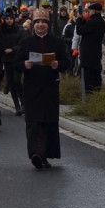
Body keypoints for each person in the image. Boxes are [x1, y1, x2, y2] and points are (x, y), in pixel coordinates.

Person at [16, 15, 70, 168]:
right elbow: (16, 63)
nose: (40, 25)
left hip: (50, 87)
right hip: (32, 87)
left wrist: (58, 64)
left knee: (48, 121)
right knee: (33, 122)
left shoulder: (57, 42)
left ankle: (44, 154)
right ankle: (35, 153)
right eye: (37, 22)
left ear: (48, 25)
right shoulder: (26, 42)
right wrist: (24, 65)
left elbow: (66, 62)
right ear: (33, 25)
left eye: (43, 22)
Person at [0, 9, 25, 115]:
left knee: (17, 80)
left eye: (11, 19)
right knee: (11, 82)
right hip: (7, 59)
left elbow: (22, 44)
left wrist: (13, 49)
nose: (9, 21)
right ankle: (17, 106)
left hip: (17, 59)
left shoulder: (19, 30)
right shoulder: (1, 31)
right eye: (7, 19)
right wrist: (4, 50)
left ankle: (23, 103)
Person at [75, 3, 105, 93]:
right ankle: (95, 94)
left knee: (88, 78)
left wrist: (79, 20)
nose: (88, 13)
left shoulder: (94, 22)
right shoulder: (100, 21)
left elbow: (80, 30)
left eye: (89, 11)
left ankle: (89, 95)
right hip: (95, 53)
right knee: (95, 75)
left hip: (89, 54)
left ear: (94, 11)